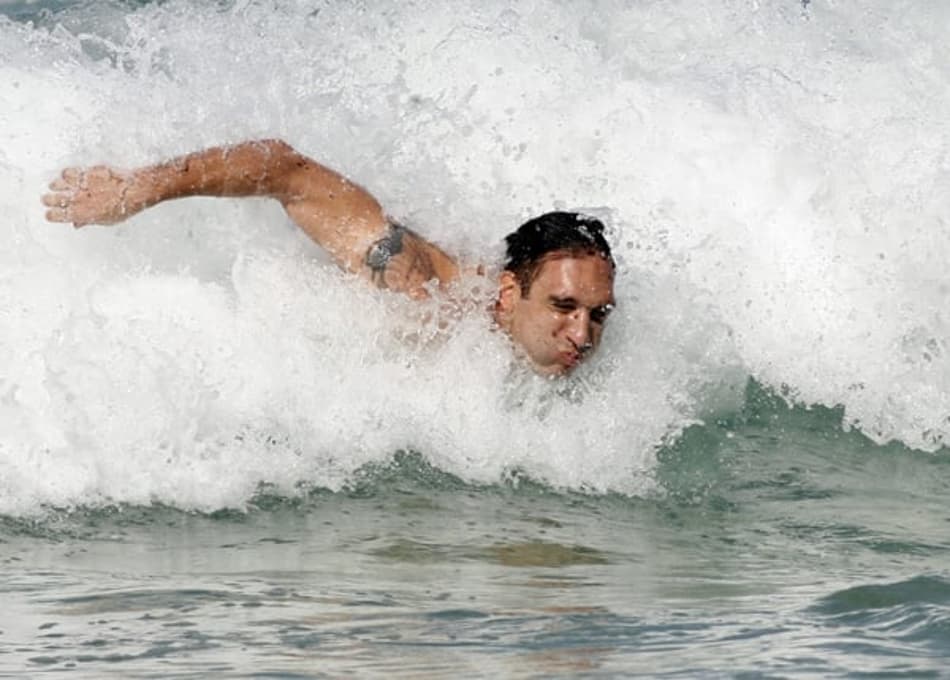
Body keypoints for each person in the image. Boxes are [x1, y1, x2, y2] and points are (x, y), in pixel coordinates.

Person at [43, 139, 615, 376]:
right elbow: (289, 170)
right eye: (563, 306)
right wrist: (139, 191)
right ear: (509, 294)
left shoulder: (573, 339)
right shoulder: (419, 287)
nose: (582, 336)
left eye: (597, 314)